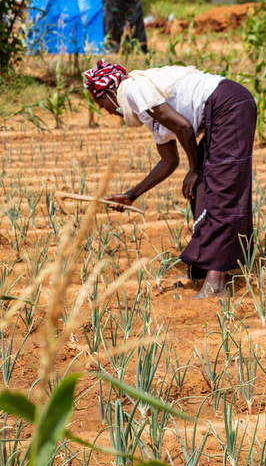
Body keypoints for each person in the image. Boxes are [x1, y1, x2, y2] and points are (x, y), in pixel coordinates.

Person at [83, 60, 257, 299]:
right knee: (202, 190)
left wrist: (194, 170)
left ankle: (216, 284)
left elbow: (184, 127)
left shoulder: (132, 90)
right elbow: (169, 161)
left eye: (101, 103)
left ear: (110, 92)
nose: (106, 110)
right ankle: (204, 269)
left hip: (229, 105)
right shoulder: (145, 108)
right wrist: (131, 195)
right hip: (223, 108)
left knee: (220, 190)